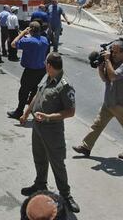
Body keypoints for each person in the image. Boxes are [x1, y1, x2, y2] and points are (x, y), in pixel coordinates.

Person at [19, 52, 80, 214]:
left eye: (46, 64)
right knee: (39, 157)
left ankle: (66, 195)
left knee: (57, 163)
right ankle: (40, 184)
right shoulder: (47, 77)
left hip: (52, 131)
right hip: (37, 128)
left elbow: (70, 111)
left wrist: (48, 117)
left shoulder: (65, 85)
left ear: (49, 65)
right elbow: (37, 95)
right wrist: (26, 113)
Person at [73, 40, 123, 160]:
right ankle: (86, 147)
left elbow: (113, 76)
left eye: (115, 52)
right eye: (112, 51)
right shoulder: (111, 63)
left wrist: (108, 60)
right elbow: (105, 79)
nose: (112, 53)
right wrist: (100, 67)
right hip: (109, 102)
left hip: (121, 105)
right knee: (97, 125)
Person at [7, 21, 48, 119]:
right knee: (35, 91)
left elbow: (13, 44)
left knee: (23, 91)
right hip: (41, 70)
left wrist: (22, 33)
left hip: (30, 71)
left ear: (30, 30)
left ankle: (19, 111)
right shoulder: (45, 40)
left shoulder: (28, 41)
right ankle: (31, 108)